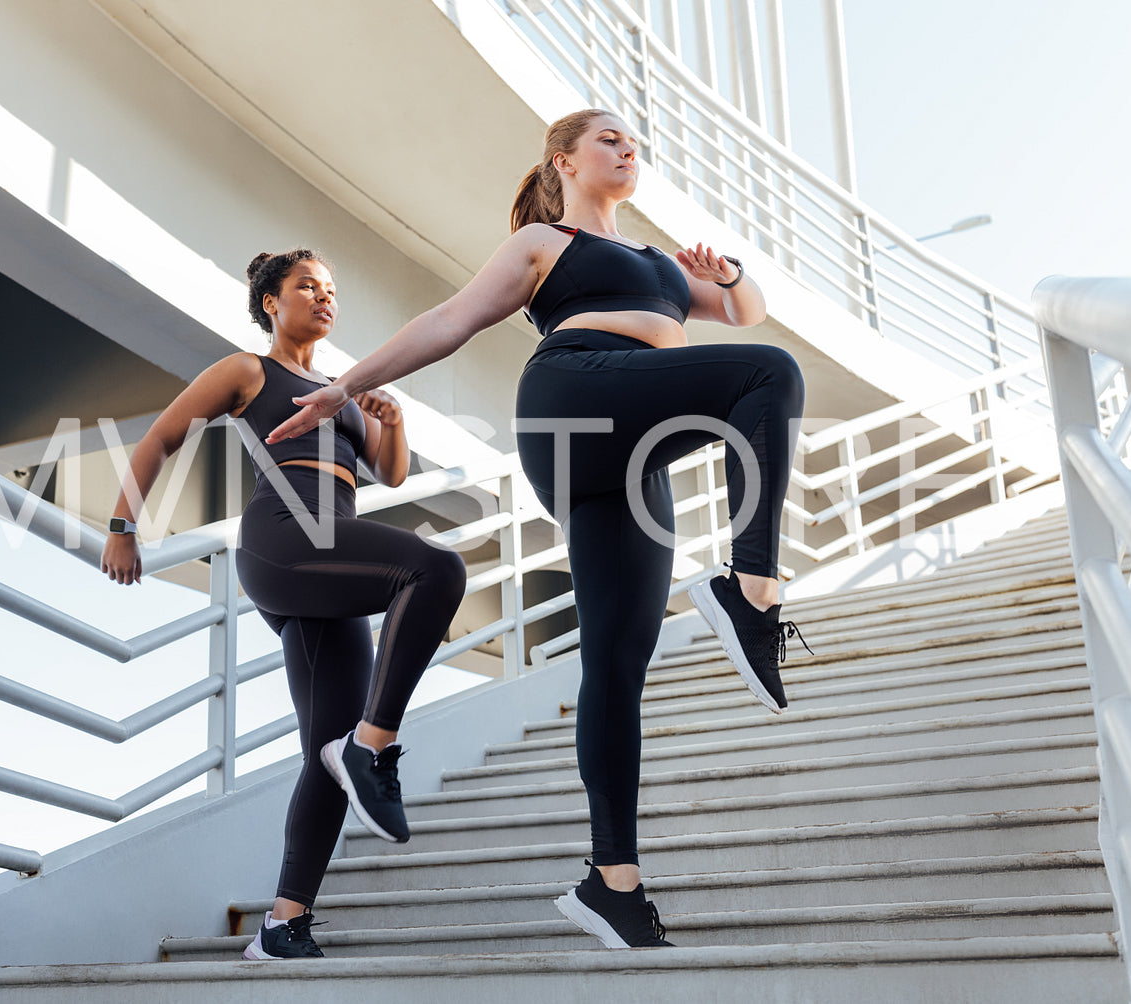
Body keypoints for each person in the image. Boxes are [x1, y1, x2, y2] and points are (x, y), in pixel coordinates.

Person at [267, 109, 809, 949]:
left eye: (636, 145)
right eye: (610, 141)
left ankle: (613, 885)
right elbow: (448, 321)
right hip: (577, 397)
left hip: (638, 454)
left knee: (619, 662)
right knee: (768, 379)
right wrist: (346, 387)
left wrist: (728, 270)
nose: (629, 151)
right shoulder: (546, 245)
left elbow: (745, 312)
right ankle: (750, 589)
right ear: (563, 160)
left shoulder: (661, 265)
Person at [100, 249, 468, 960]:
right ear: (272, 301)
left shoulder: (343, 391)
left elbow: (387, 474)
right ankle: (374, 745)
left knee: (322, 753)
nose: (324, 298)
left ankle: (282, 924)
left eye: (332, 289)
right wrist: (122, 527)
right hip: (283, 541)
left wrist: (390, 423)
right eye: (308, 286)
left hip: (330, 551)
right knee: (435, 569)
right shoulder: (248, 371)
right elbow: (163, 434)